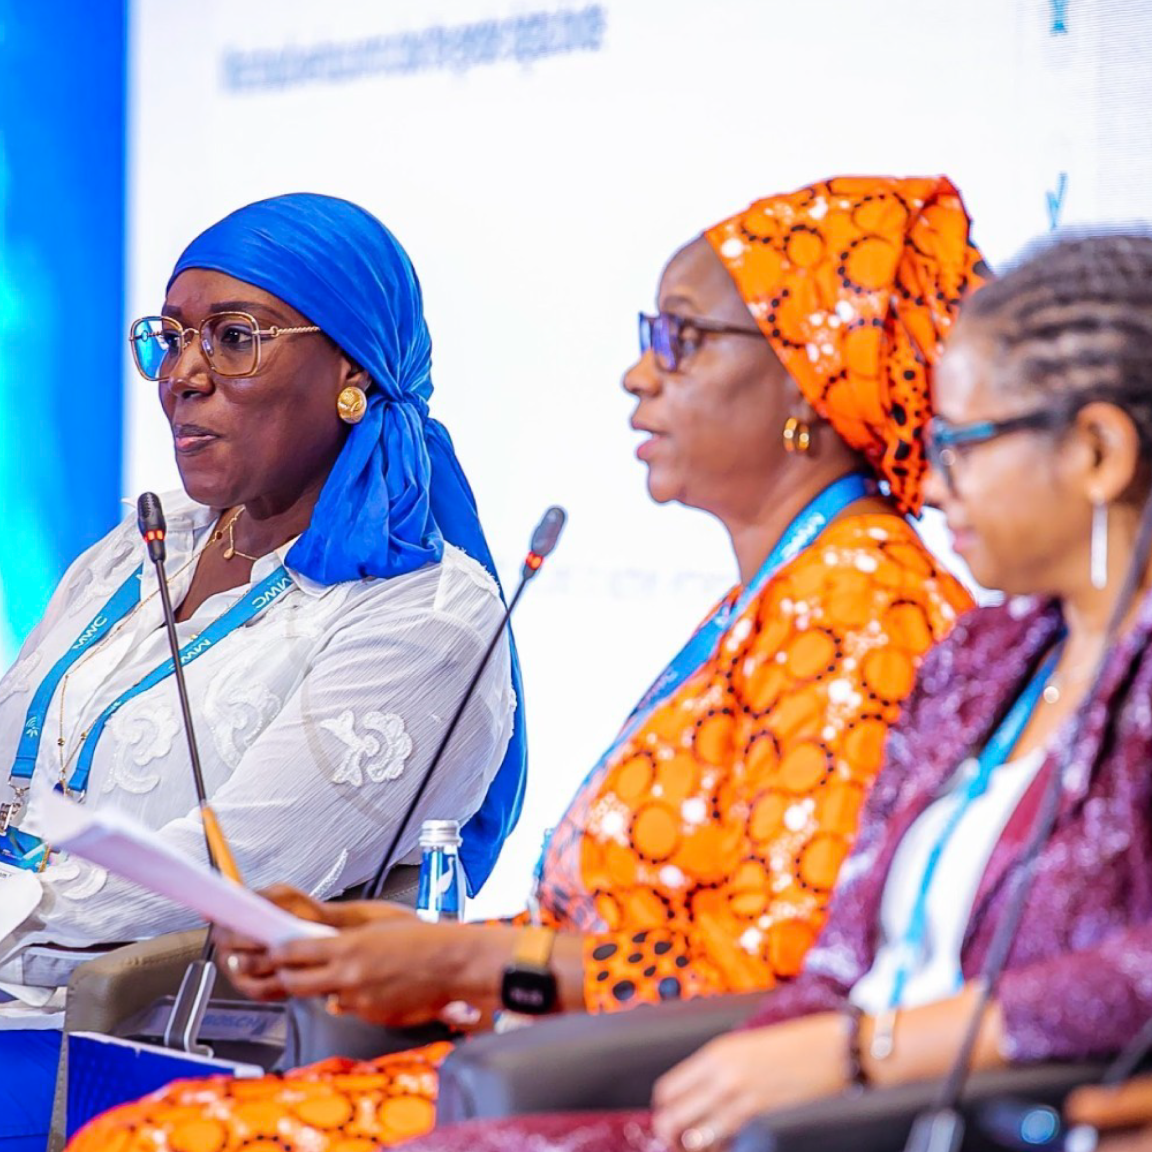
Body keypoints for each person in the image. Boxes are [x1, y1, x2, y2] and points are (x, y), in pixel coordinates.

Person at [68, 175, 982, 1152]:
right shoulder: (785, 593)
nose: (639, 377)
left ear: (811, 374)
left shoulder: (861, 610)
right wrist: (406, 949)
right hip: (558, 1062)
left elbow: (776, 975)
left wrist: (466, 961)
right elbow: (642, 925)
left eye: (680, 339)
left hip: (653, 1097)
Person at [396, 229, 1152, 1152]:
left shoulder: (874, 604)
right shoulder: (984, 658)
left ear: (1100, 453)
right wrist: (686, 1105)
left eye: (960, 442)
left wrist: (864, 1053)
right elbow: (835, 963)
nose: (927, 471)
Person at [0, 193, 527, 1151]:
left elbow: (234, 877)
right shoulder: (140, 546)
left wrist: (16, 901)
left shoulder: (422, 615)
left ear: (351, 372)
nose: (183, 376)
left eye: (235, 337)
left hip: (124, 1041)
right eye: (171, 336)